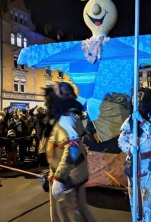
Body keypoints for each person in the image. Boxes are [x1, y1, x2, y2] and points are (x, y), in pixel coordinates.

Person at [43, 82, 97, 222]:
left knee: (70, 215)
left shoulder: (66, 119)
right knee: (73, 212)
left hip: (69, 178)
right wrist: (52, 173)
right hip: (68, 174)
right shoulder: (65, 117)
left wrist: (60, 178)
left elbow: (72, 149)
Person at [118, 87, 151, 222]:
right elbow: (121, 139)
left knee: (147, 201)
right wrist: (128, 148)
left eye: (139, 99)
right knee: (134, 200)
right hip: (132, 164)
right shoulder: (129, 120)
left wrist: (142, 121)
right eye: (134, 100)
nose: (136, 102)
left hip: (149, 164)